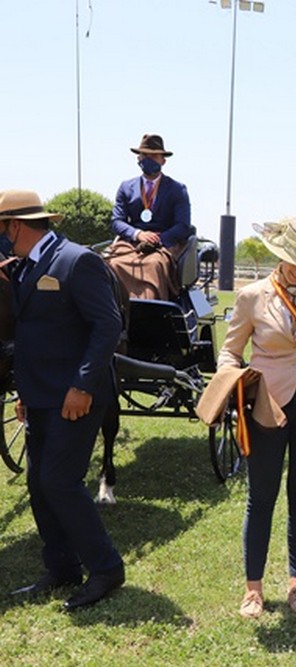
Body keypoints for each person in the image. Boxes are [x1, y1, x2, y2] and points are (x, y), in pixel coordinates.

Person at [0, 190, 125, 610]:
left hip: (76, 395)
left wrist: (84, 386)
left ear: (15, 226)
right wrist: (25, 394)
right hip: (39, 395)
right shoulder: (24, 267)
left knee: (59, 480)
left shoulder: (76, 261)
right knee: (38, 483)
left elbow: (107, 326)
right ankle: (62, 568)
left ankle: (106, 568)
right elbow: (30, 335)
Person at [215, 216, 296, 618]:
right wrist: (231, 381)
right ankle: (253, 589)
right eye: (293, 260)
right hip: (266, 406)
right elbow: (230, 350)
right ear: (280, 256)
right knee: (261, 497)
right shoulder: (252, 297)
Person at [107, 133, 192, 300]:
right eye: (144, 155)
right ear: (138, 159)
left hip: (163, 243)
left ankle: (150, 311)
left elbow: (183, 226)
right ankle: (115, 311)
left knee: (153, 265)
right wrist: (138, 234)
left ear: (163, 160)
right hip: (132, 241)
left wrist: (157, 239)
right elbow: (117, 221)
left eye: (154, 156)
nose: (148, 159)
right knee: (113, 263)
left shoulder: (177, 189)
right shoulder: (126, 187)